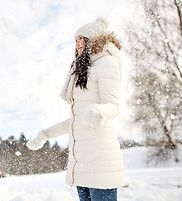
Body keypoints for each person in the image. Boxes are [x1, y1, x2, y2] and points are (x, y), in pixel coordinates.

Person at [26, 17, 124, 201]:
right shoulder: (81, 71)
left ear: (94, 40)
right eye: (76, 40)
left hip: (100, 160)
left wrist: (100, 112)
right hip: (80, 163)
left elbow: (113, 106)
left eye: (83, 39)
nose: (78, 44)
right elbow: (76, 120)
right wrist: (44, 134)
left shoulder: (106, 63)